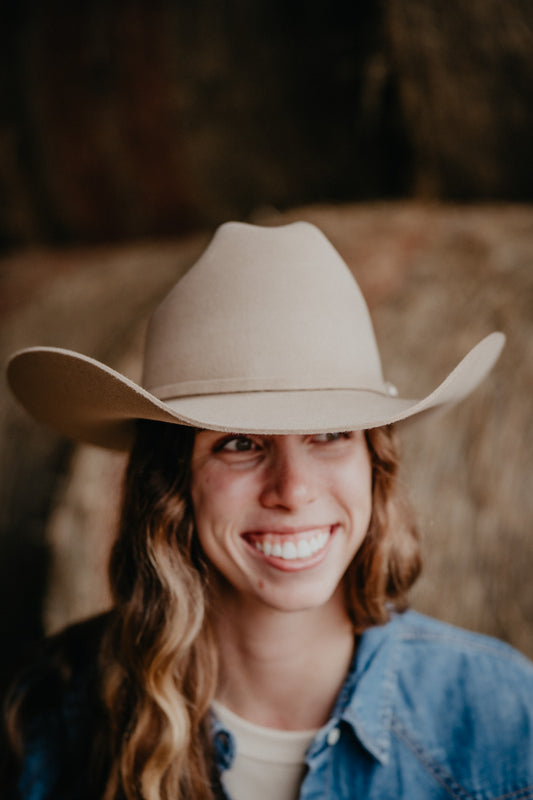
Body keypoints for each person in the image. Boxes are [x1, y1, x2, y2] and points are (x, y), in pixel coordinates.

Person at [3, 221, 533, 800]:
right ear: (171, 483)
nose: (293, 490)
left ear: (374, 465)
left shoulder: (501, 709)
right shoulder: (58, 707)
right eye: (238, 443)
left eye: (331, 434)